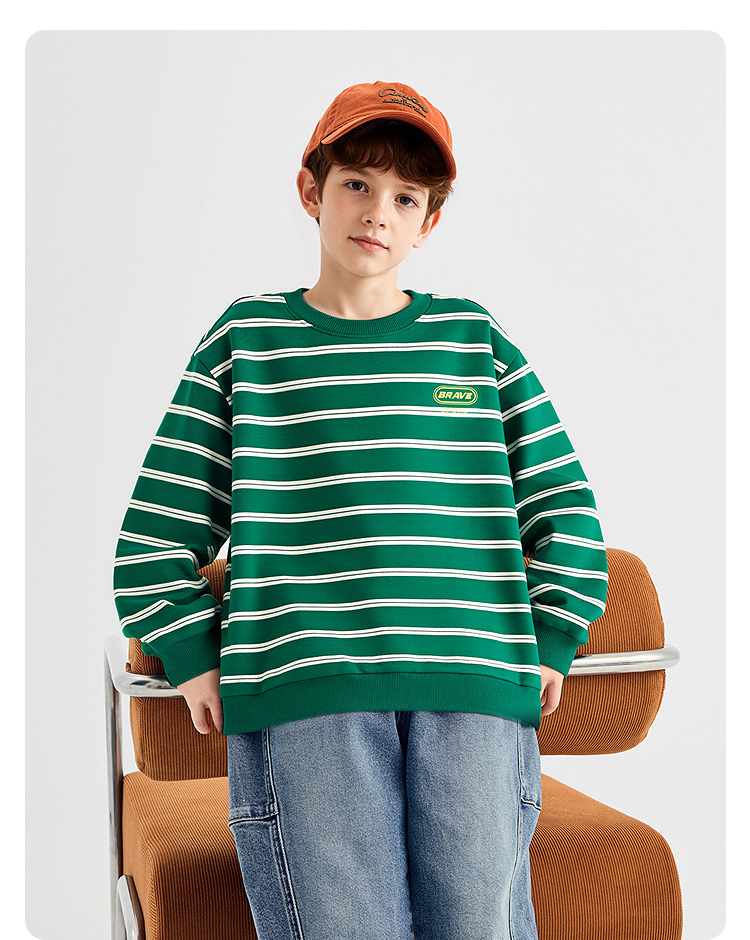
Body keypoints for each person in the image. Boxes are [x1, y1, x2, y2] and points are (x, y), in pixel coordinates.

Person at [113, 80, 609, 940]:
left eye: (406, 197)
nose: (378, 211)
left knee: (478, 926)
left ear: (429, 223)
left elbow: (563, 506)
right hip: (307, 689)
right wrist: (191, 654)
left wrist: (557, 630)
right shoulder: (247, 341)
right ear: (311, 191)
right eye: (356, 183)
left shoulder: (474, 342)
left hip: (475, 685)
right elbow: (157, 530)